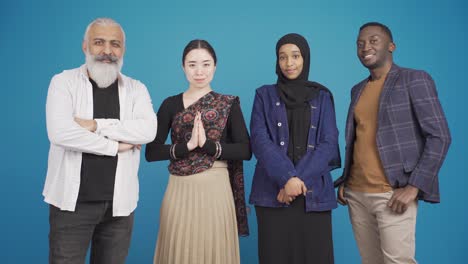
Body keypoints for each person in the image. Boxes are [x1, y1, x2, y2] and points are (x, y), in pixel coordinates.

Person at [335, 22, 451, 264]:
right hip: (356, 193)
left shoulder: (414, 79)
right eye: (360, 43)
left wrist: (414, 186)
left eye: (373, 40)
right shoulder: (357, 89)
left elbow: (440, 136)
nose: (365, 47)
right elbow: (358, 138)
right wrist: (346, 180)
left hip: (392, 192)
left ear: (391, 46)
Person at [43, 17, 157, 264]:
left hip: (120, 206)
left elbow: (148, 130)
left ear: (123, 50)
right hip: (72, 205)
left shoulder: (137, 89)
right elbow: (60, 133)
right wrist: (115, 146)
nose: (107, 51)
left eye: (115, 44)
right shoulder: (63, 83)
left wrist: (96, 125)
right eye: (99, 42)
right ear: (85, 46)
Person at [145, 39, 251, 264]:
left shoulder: (228, 104)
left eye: (206, 64)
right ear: (183, 67)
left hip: (216, 192)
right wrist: (188, 147)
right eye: (192, 64)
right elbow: (151, 152)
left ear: (215, 66)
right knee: (178, 252)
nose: (199, 71)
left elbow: (245, 150)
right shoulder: (169, 104)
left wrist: (208, 146)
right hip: (179, 190)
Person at [249, 33, 341, 264]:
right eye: (283, 57)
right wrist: (287, 178)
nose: (289, 63)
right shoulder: (264, 95)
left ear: (306, 58)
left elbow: (329, 143)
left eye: (295, 56)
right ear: (277, 61)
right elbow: (259, 140)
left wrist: (296, 182)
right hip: (273, 193)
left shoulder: (323, 96)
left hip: (313, 195)